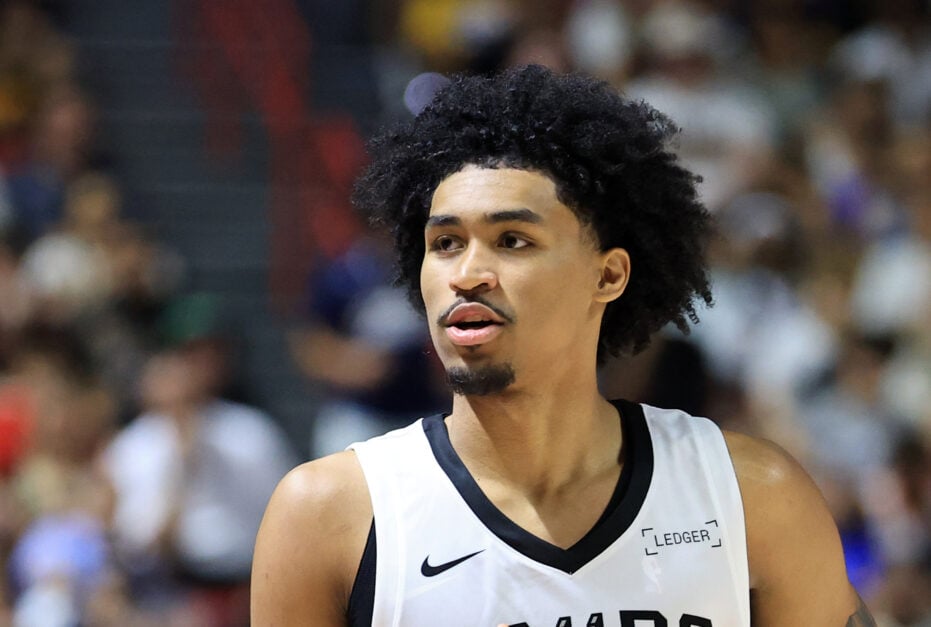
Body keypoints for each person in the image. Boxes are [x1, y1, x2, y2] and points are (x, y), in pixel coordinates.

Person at [252, 65, 875, 626]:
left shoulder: (751, 495)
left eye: (512, 240)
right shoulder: (329, 515)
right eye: (444, 243)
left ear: (608, 276)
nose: (466, 272)